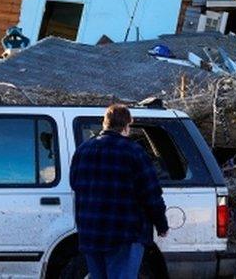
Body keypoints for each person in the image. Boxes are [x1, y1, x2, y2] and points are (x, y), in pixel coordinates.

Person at [70, 104, 169, 279]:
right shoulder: (134, 151)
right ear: (126, 126)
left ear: (105, 123)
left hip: (91, 232)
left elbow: (75, 184)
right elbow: (151, 194)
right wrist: (161, 224)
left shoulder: (83, 151)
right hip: (125, 233)